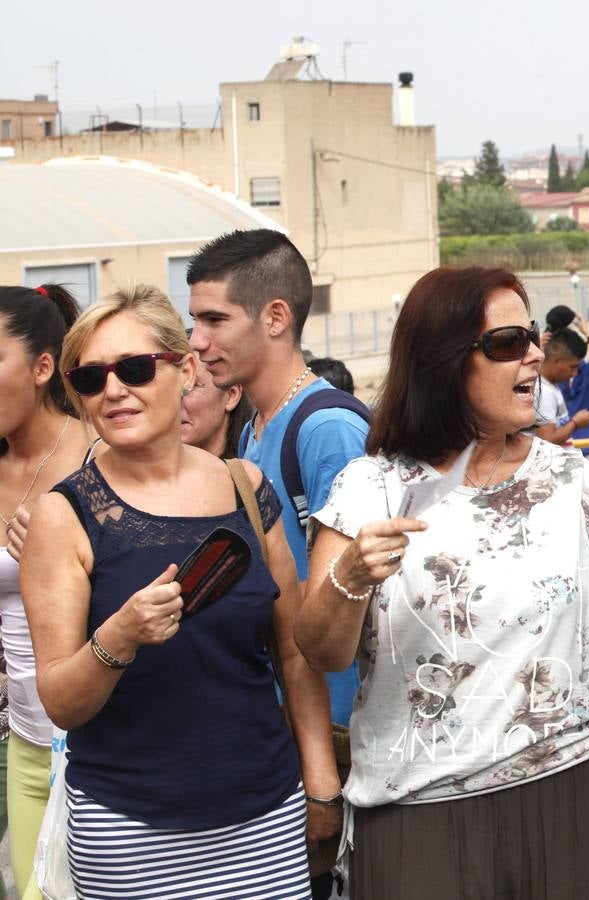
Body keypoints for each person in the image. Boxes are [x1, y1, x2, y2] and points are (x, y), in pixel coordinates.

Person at [294, 266, 589, 899]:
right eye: (506, 343)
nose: (533, 352)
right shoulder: (370, 489)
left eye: (531, 336)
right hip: (421, 816)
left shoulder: (571, 480)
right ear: (443, 362)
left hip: (579, 792)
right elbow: (322, 650)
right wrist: (349, 577)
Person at [20, 286, 339, 899]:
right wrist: (118, 637)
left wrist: (319, 782)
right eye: (89, 378)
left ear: (185, 369)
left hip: (264, 816)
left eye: (135, 369)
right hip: (128, 829)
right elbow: (60, 699)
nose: (113, 391)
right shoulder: (64, 516)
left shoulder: (244, 485)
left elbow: (293, 651)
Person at [186, 230, 369, 898]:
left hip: (345, 734)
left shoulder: (325, 429)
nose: (198, 341)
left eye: (214, 320)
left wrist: (326, 771)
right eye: (193, 321)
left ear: (275, 317)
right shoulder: (259, 428)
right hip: (292, 724)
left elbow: (358, 594)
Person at [0, 283, 90, 900]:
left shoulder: (99, 453)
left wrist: (57, 548)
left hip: (94, 749)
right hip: (25, 745)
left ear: (41, 367)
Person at [546, 305, 589, 458]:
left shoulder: (587, 370)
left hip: (588, 448)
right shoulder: (550, 382)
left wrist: (587, 332)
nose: (573, 371)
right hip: (562, 451)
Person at [181, 348, 254, 459]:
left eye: (192, 385)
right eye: (172, 385)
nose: (175, 399)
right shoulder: (150, 472)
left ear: (231, 395)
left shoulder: (253, 472)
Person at [534, 334, 589, 446]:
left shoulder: (551, 385)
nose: (574, 373)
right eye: (572, 367)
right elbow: (547, 441)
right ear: (557, 362)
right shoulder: (543, 392)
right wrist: (575, 423)